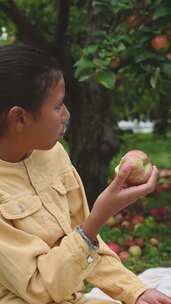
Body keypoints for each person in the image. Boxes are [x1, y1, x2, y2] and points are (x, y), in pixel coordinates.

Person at [0, 43, 170, 304]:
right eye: (57, 107)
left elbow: (85, 243)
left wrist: (135, 291)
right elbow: (40, 288)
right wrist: (101, 214)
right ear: (19, 118)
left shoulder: (53, 154)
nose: (66, 114)